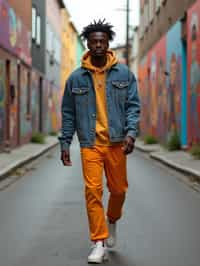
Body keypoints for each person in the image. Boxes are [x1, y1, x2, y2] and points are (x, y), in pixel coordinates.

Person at [59, 19, 140, 264]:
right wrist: (65, 143)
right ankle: (99, 241)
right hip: (89, 144)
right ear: (87, 43)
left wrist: (131, 133)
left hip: (116, 142)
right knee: (93, 192)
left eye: (101, 41)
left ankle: (112, 219)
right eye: (93, 41)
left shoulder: (125, 74)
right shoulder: (75, 78)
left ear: (107, 44)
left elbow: (133, 107)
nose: (97, 45)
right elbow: (68, 112)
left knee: (118, 191)